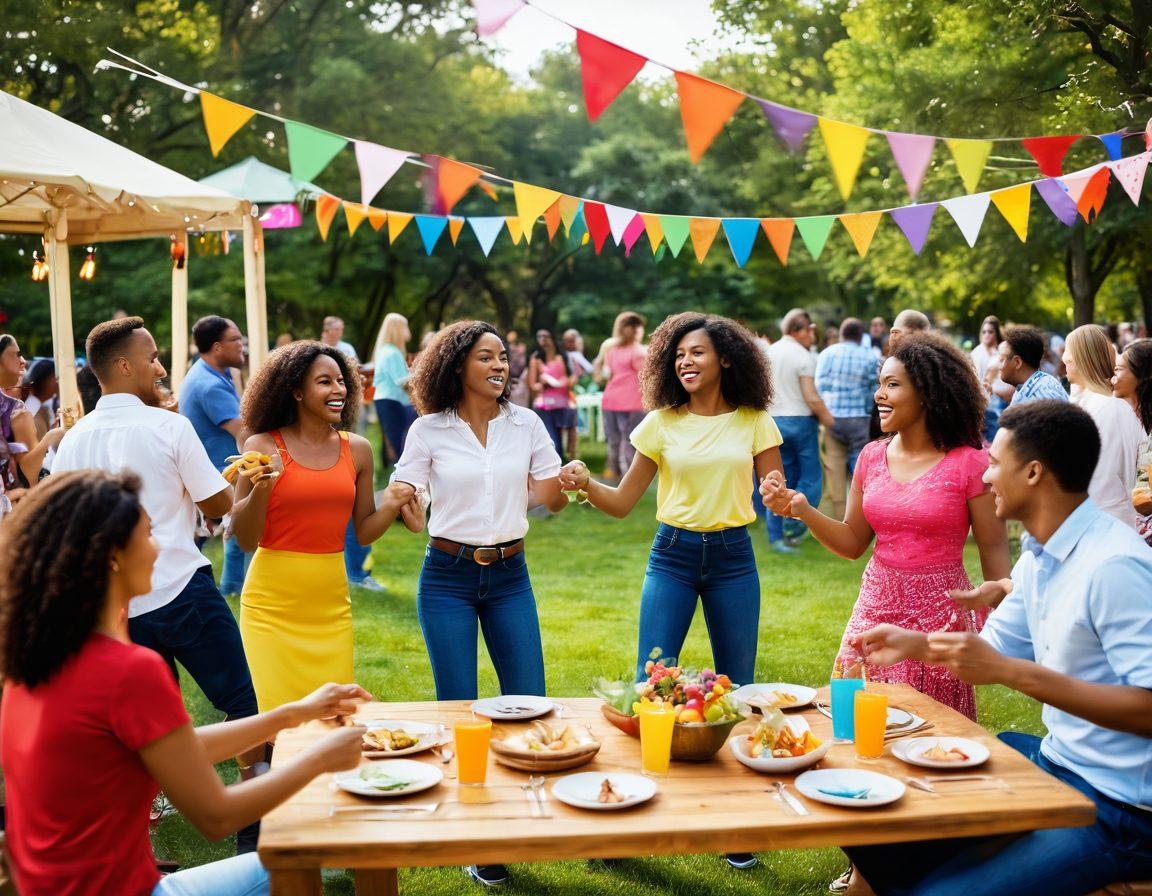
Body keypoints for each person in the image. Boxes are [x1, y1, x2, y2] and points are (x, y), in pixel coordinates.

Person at [0, 469, 371, 896]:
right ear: (112, 557)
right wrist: (320, 759)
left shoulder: (31, 663)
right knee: (290, 860)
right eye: (148, 533)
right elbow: (216, 816)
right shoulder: (127, 671)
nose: (158, 549)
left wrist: (292, 714)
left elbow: (175, 750)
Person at [846, 400, 1152, 896]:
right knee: (873, 827)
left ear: (1032, 473)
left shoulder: (1114, 566)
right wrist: (916, 645)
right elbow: (988, 650)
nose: (986, 477)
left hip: (1119, 810)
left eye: (994, 463)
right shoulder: (1039, 560)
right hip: (1052, 766)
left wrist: (1010, 672)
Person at [51, 316, 267, 849]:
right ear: (123, 365)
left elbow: (62, 521)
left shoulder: (74, 440)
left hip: (120, 608)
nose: (162, 366)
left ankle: (143, 831)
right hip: (181, 589)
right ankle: (254, 833)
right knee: (243, 700)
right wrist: (251, 474)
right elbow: (218, 507)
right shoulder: (168, 426)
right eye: (151, 357)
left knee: (152, 728)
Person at [761, 333, 1011, 720]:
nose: (879, 394)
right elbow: (852, 542)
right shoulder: (871, 456)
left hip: (938, 617)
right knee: (858, 721)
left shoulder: (969, 463)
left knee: (934, 735)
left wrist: (1002, 620)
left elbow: (994, 548)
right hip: (874, 605)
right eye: (880, 384)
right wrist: (803, 511)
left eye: (892, 385)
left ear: (928, 393)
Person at [561, 312, 783, 687]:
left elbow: (777, 493)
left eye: (697, 352)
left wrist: (777, 496)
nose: (685, 362)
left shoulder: (755, 421)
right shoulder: (659, 423)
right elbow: (621, 503)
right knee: (652, 679)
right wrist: (586, 483)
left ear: (725, 359)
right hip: (672, 556)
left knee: (740, 685)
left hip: (733, 558)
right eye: (679, 355)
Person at [230, 341, 421, 713]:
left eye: (340, 381)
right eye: (324, 382)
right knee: (273, 709)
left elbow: (363, 531)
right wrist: (261, 489)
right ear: (296, 392)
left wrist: (393, 503)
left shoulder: (359, 450)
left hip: (330, 604)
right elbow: (246, 538)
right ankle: (255, 769)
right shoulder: (262, 446)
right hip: (272, 604)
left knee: (332, 714)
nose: (338, 391)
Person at [181, 315, 251, 595]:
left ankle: (233, 584)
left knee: (222, 528)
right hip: (219, 470)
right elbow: (244, 433)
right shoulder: (209, 385)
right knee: (238, 521)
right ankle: (233, 586)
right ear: (217, 347)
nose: (242, 345)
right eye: (235, 340)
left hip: (213, 468)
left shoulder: (209, 373)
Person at [765, 308, 834, 552]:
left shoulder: (768, 352)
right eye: (811, 330)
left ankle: (777, 537)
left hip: (773, 423)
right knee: (812, 477)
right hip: (801, 422)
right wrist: (830, 422)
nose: (812, 336)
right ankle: (796, 525)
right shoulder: (803, 357)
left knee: (777, 480)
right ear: (800, 330)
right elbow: (811, 397)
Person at [1063, 325, 1144, 528]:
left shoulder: (1106, 409)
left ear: (1082, 358)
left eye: (1069, 352)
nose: (1064, 358)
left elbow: (1102, 481)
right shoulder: (1101, 406)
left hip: (1106, 525)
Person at [815, 318, 878, 520]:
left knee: (834, 467)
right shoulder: (869, 356)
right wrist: (867, 409)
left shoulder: (827, 354)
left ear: (842, 334)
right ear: (861, 336)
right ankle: (862, 516)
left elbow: (819, 386)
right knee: (859, 469)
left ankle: (838, 516)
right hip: (859, 419)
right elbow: (873, 389)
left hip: (832, 418)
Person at [0, 335, 63, 485]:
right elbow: (28, 476)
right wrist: (49, 439)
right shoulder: (15, 410)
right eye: (16, 354)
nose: (23, 362)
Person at [596, 312, 647, 480]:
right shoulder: (612, 350)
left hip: (633, 403)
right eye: (628, 325)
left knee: (630, 440)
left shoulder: (639, 352)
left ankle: (631, 477)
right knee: (614, 439)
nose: (631, 329)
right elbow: (606, 375)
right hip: (611, 401)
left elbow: (645, 378)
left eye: (634, 326)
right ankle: (613, 471)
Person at [1114, 339, 1152, 544]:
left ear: (1143, 376)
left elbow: (1143, 497)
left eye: (1118, 370)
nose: (1112, 378)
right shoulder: (1124, 414)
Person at [372, 312, 417, 469]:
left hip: (386, 400)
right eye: (405, 327)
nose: (407, 331)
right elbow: (403, 382)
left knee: (393, 439)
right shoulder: (392, 353)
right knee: (398, 440)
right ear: (398, 329)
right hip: (391, 401)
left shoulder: (386, 351)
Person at [527, 328, 576, 462]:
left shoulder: (564, 356)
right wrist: (542, 384)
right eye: (539, 337)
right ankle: (555, 467)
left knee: (560, 438)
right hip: (544, 405)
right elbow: (532, 385)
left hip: (562, 403)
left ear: (552, 339)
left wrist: (564, 382)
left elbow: (573, 377)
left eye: (546, 336)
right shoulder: (535, 359)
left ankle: (560, 466)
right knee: (551, 438)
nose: (543, 340)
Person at [1000, 325, 1069, 405]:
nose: (998, 366)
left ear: (1017, 362)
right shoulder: (1047, 381)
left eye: (1002, 359)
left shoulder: (1034, 401)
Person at [971, 315, 1006, 442]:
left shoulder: (1003, 351)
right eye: (984, 332)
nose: (986, 335)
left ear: (996, 333)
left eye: (990, 332)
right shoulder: (977, 352)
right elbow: (975, 380)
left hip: (1004, 400)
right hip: (985, 402)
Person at [562, 329, 594, 461]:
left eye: (571, 340)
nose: (568, 343)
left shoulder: (573, 355)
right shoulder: (568, 355)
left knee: (571, 424)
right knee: (570, 424)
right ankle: (570, 451)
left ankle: (571, 451)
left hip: (572, 391)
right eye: (566, 340)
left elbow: (589, 369)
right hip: (566, 391)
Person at [21, 358, 58, 439]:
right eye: (54, 378)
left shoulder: (39, 406)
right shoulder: (33, 411)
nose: (57, 382)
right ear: (44, 381)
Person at [505, 329, 531, 407]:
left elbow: (524, 362)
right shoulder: (507, 348)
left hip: (522, 378)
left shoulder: (522, 347)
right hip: (511, 379)